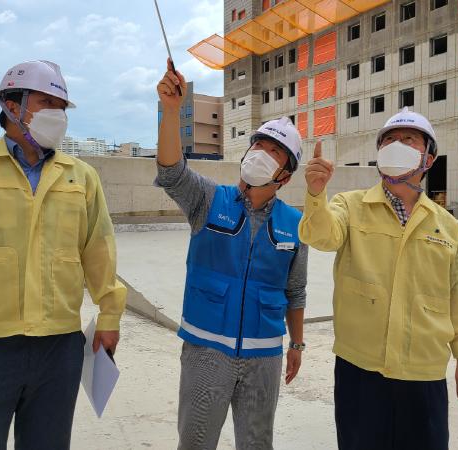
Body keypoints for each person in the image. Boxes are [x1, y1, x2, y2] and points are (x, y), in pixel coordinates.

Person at [0, 60, 126, 449]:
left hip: (58, 343)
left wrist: (110, 315)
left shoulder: (81, 176)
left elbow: (98, 249)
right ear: (11, 105)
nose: (57, 114)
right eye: (46, 102)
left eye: (62, 106)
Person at [299, 107, 458, 450]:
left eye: (409, 139)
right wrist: (316, 195)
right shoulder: (350, 205)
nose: (397, 145)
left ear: (428, 158)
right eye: (389, 140)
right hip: (360, 368)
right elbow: (320, 236)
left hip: (423, 371)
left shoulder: (446, 225)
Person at [154, 62, 308, 450]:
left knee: (257, 444)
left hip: (265, 356)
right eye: (259, 145)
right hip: (207, 350)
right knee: (196, 441)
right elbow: (172, 173)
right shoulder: (208, 200)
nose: (262, 153)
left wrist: (297, 344)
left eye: (275, 152)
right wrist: (171, 111)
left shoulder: (295, 224)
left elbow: (296, 291)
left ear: (285, 176)